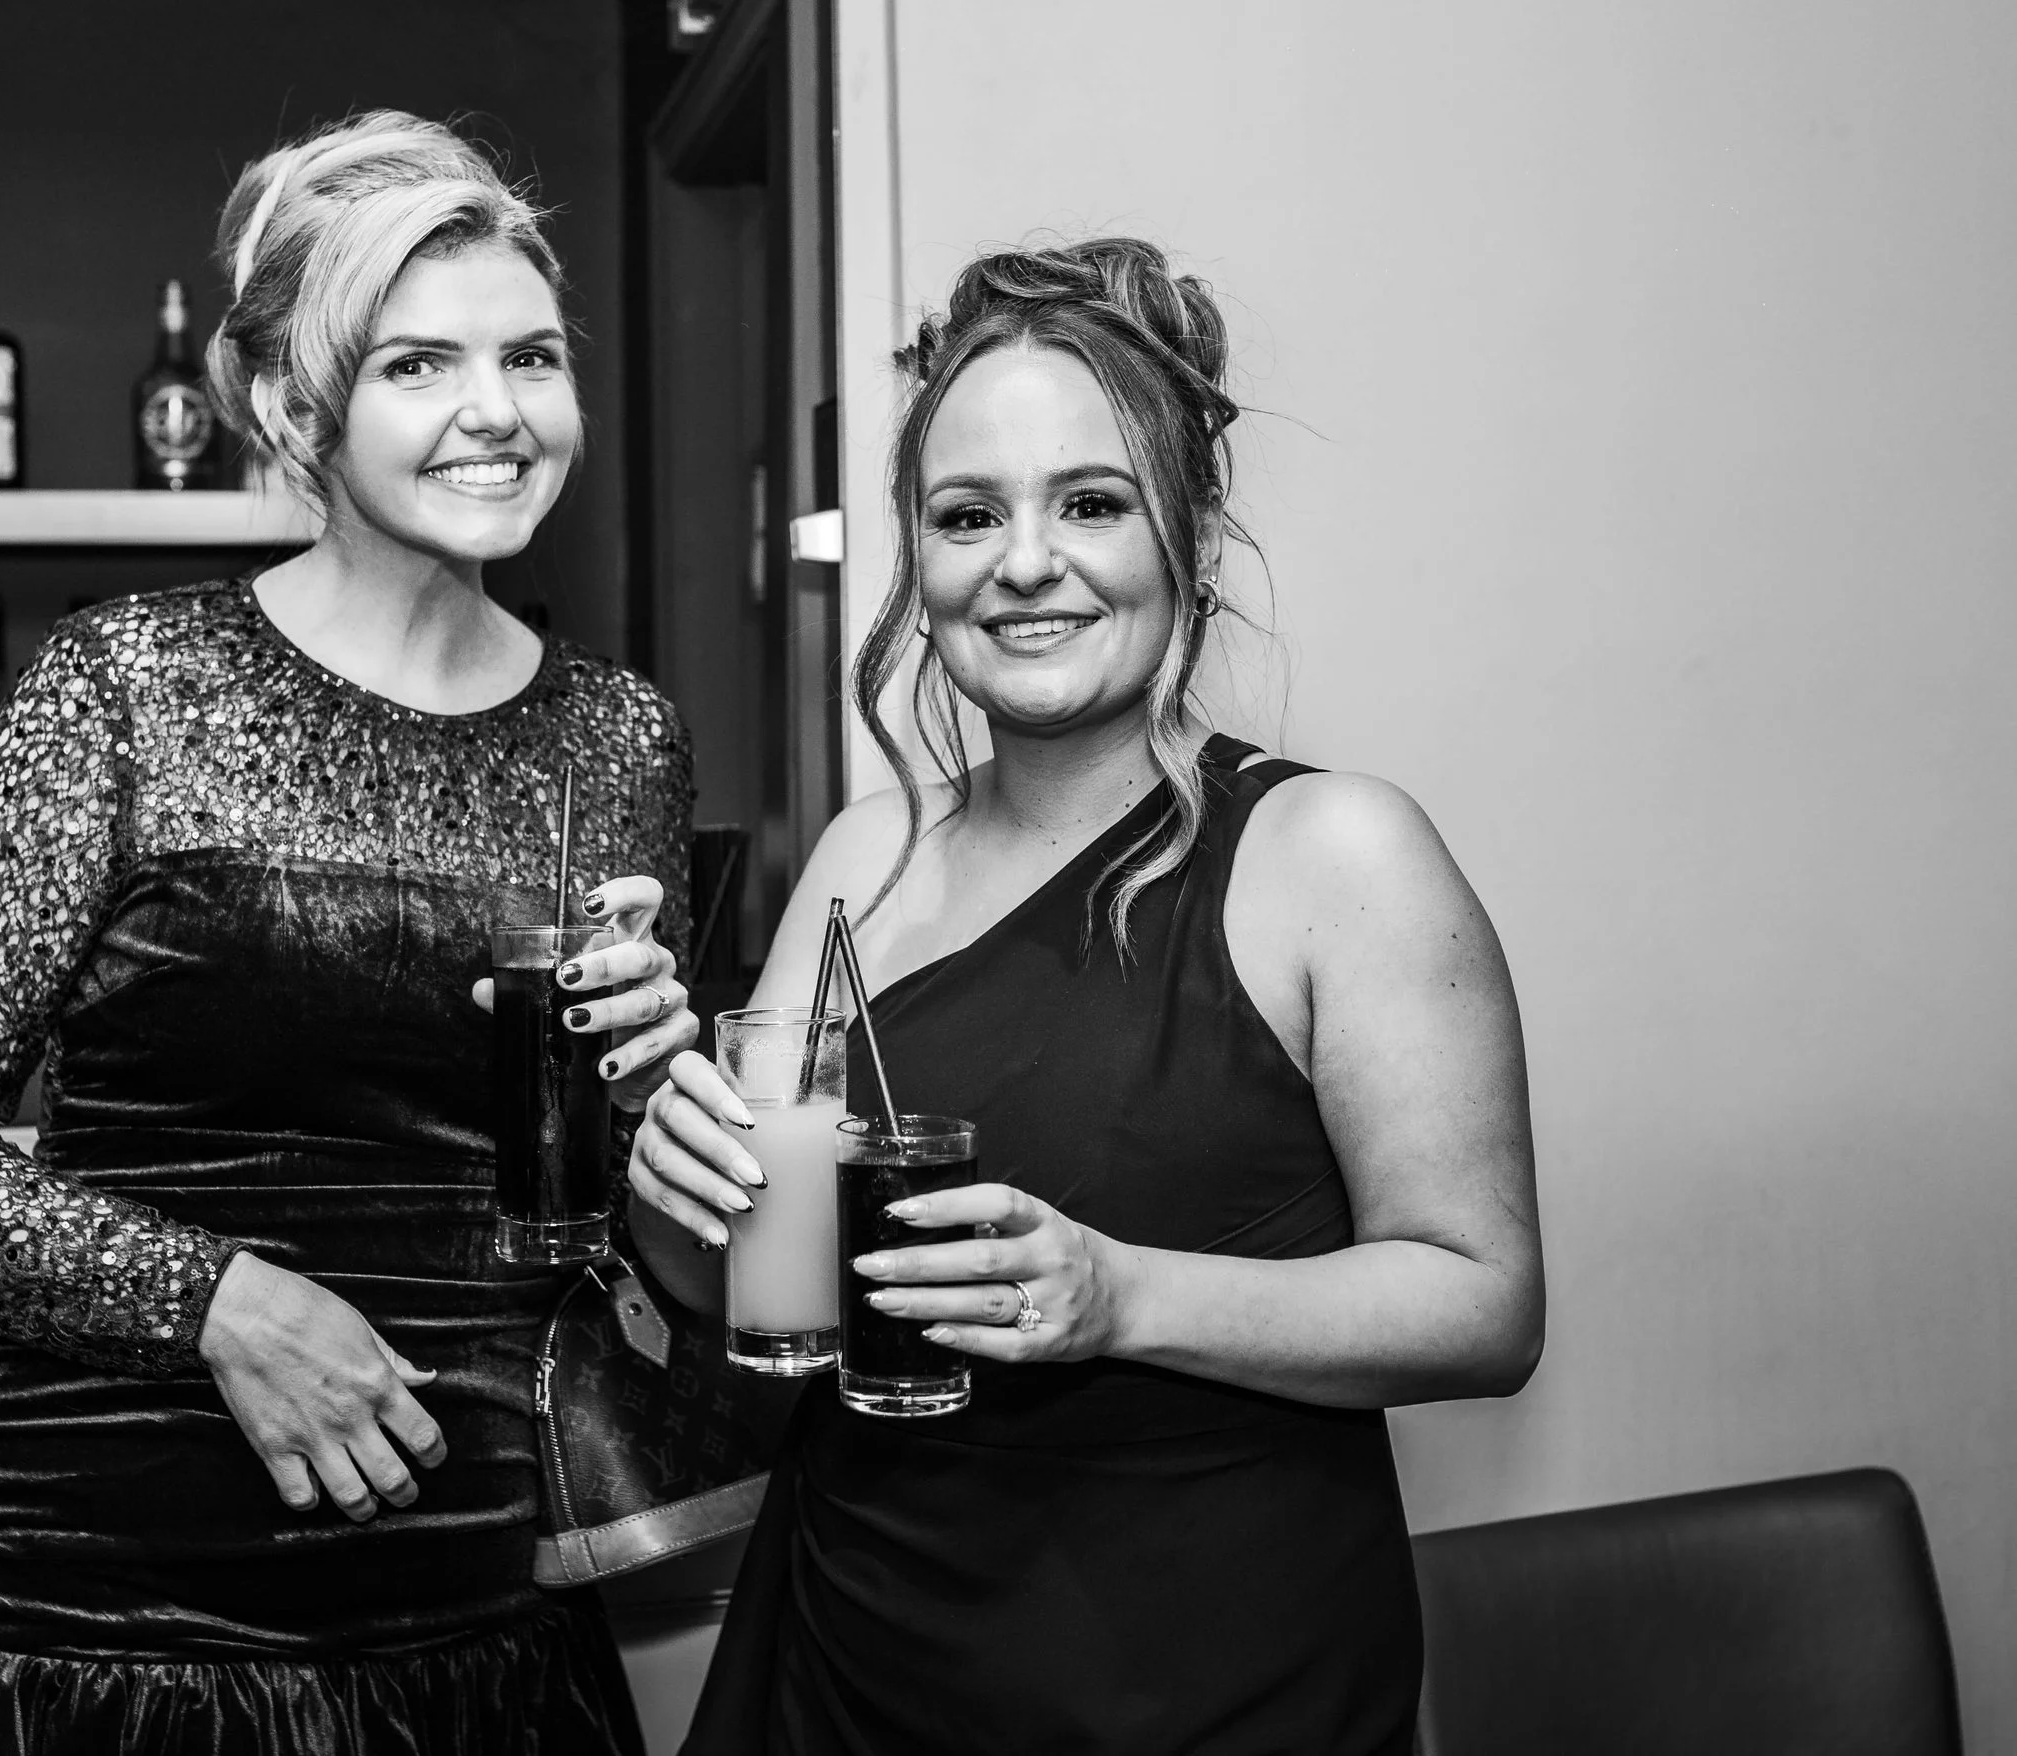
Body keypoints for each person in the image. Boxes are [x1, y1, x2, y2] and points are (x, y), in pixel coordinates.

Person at [0, 111, 697, 1755]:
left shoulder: (619, 740)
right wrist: (223, 1304)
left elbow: (593, 1220)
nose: (497, 413)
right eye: (418, 364)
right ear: (296, 408)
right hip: (117, 1620)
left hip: (489, 1620)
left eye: (534, 356)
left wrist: (660, 1083)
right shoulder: (130, 686)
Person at [629, 239, 1544, 1754]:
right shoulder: (869, 851)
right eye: (968, 515)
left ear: (1187, 526)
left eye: (1092, 504)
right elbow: (743, 1281)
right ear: (916, 559)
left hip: (1203, 1680)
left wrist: (1124, 1298)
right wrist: (670, 1184)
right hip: (855, 1667)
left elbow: (1481, 1306)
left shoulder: (1335, 854)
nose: (1025, 564)